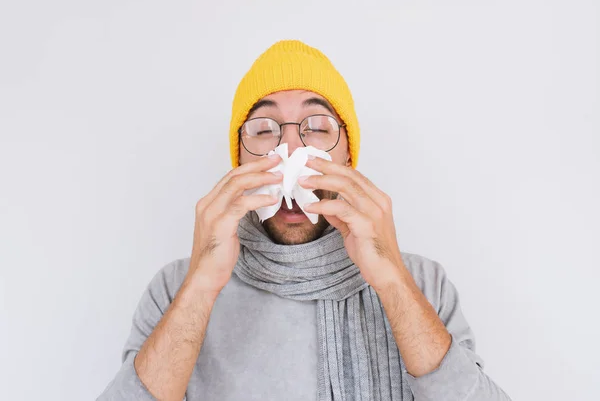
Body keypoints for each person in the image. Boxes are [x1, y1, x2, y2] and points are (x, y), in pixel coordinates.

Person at [98, 40, 511, 401]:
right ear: (238, 158)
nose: (290, 147)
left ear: (348, 154)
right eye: (264, 130)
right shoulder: (176, 288)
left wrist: (390, 278)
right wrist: (201, 286)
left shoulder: (421, 281)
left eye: (316, 127)